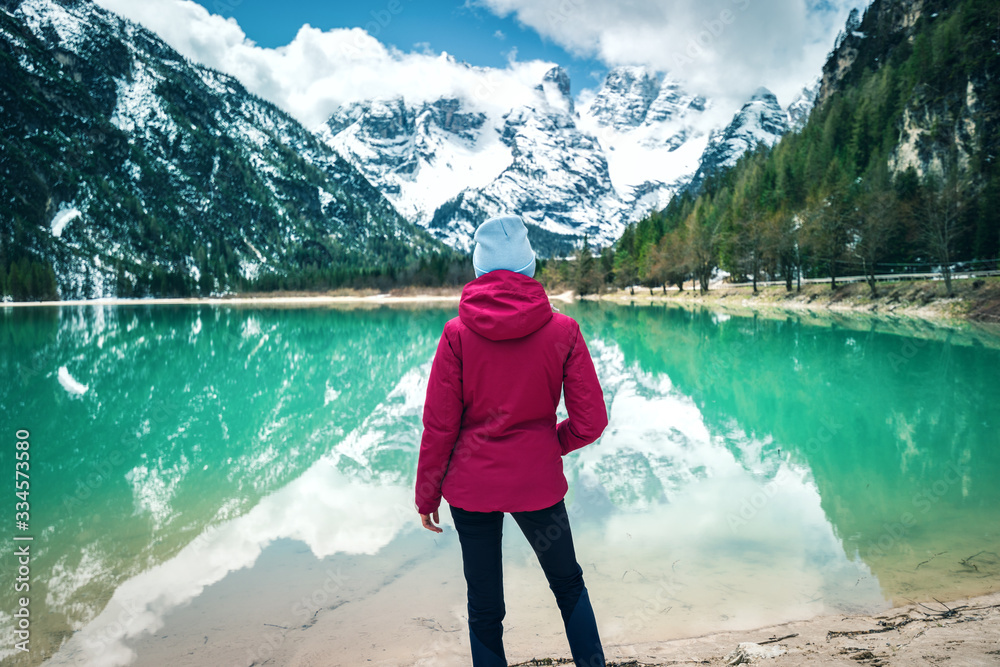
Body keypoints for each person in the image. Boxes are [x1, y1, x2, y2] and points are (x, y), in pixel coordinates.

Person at [414, 214, 608, 667]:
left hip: (470, 488)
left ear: (479, 269)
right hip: (536, 485)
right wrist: (547, 444)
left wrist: (427, 493)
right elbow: (591, 421)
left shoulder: (457, 335)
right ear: (529, 267)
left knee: (484, 603)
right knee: (568, 585)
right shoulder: (563, 330)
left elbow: (440, 427)